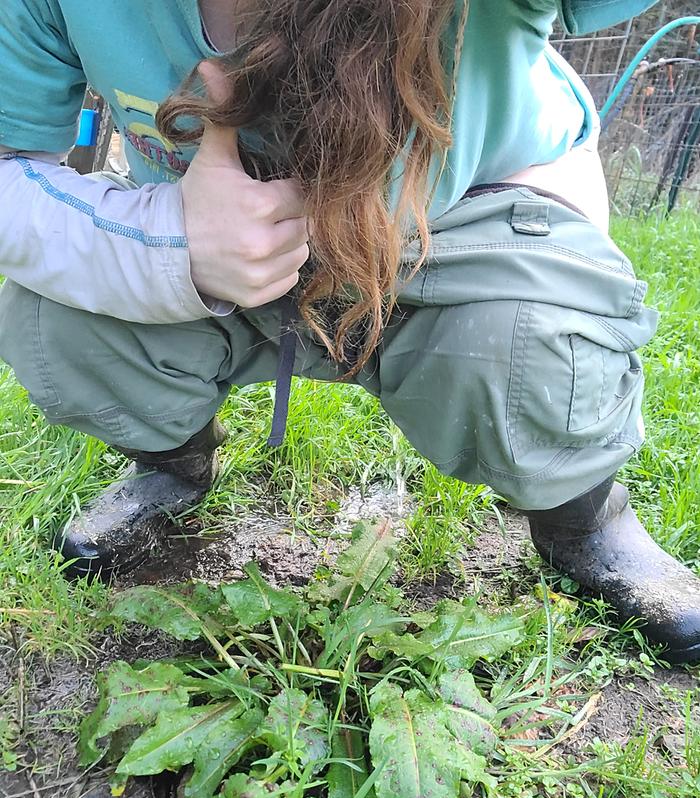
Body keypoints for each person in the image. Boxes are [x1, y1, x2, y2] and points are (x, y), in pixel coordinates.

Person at [0, 0, 698, 662]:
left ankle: (582, 518)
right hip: (210, 234)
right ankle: (172, 464)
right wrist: (170, 245)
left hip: (457, 218)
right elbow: (13, 163)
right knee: (54, 317)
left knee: (533, 342)